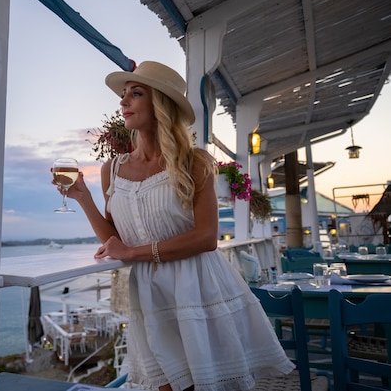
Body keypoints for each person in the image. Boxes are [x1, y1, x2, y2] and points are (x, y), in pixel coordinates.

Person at [55, 61, 294, 390]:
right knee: (166, 384)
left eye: (135, 94)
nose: (123, 102)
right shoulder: (113, 168)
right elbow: (115, 238)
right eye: (123, 95)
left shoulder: (194, 162)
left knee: (200, 383)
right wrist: (83, 198)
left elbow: (207, 237)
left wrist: (133, 252)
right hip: (150, 292)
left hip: (196, 286)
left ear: (160, 105)